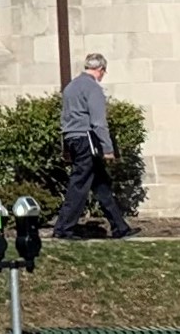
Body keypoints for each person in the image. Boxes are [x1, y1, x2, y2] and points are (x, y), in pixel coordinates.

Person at [57, 51, 133, 239]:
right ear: (100, 69)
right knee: (80, 184)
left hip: (72, 138)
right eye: (103, 72)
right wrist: (107, 149)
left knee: (101, 183)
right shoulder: (92, 88)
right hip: (87, 139)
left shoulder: (71, 87)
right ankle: (63, 228)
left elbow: (65, 117)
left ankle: (120, 226)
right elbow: (99, 122)